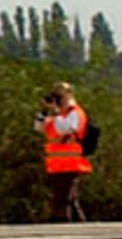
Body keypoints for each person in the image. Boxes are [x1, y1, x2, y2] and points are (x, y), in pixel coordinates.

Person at [34, 82, 91, 222]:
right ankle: (79, 224)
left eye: (61, 95)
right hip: (56, 163)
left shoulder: (75, 113)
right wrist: (44, 112)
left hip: (71, 162)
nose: (59, 99)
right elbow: (38, 127)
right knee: (69, 198)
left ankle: (60, 222)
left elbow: (66, 128)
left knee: (62, 197)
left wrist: (55, 113)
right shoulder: (57, 115)